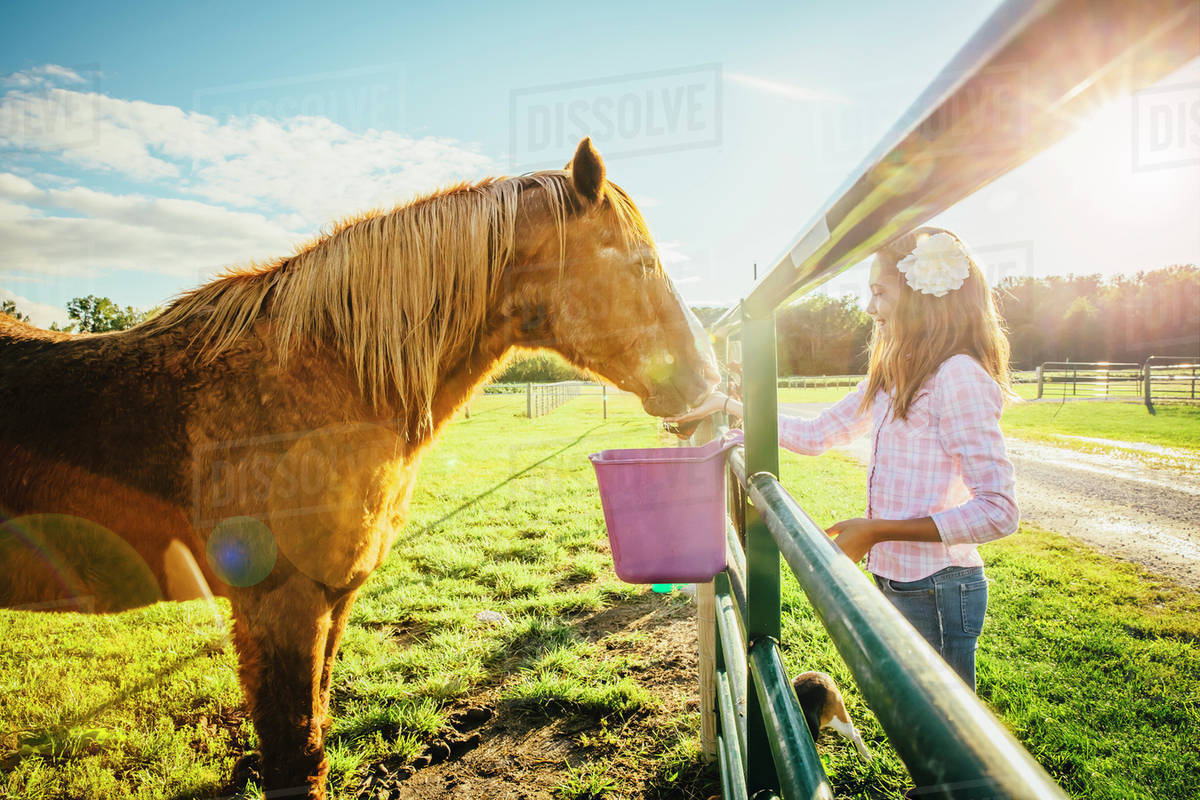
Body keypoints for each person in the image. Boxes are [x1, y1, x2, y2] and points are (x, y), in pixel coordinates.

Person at [668, 227, 1018, 692]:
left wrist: (879, 530)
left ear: (924, 299)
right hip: (898, 580)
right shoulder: (895, 375)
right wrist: (729, 406)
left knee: (946, 739)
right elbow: (816, 434)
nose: (870, 308)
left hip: (940, 586)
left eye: (880, 293)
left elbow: (1000, 511)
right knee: (912, 719)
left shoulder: (958, 376)